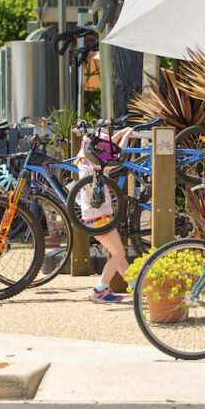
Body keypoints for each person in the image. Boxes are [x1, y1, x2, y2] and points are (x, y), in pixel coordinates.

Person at [76, 126, 136, 303]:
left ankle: (136, 287)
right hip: (100, 217)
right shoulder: (98, 167)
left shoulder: (86, 164)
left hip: (93, 217)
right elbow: (119, 154)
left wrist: (120, 133)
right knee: (118, 253)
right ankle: (100, 290)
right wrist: (126, 135)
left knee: (118, 254)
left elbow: (108, 147)